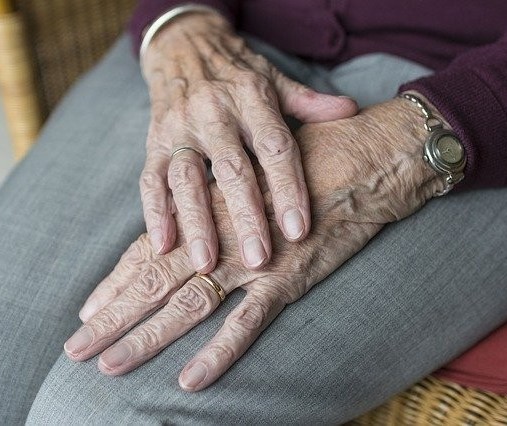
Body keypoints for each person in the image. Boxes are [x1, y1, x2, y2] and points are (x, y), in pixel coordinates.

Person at [0, 1, 506, 424]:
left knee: (101, 411)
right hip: (222, 33)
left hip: (466, 95)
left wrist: (408, 142)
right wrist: (178, 21)